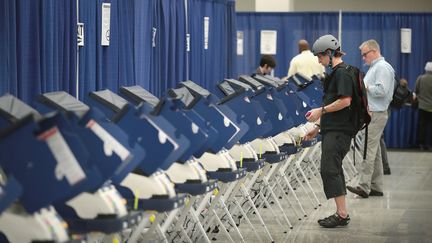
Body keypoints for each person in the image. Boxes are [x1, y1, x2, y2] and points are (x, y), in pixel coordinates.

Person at [304, 34, 356, 228]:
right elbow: (330, 102)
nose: (318, 60)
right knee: (333, 169)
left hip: (339, 131)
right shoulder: (334, 73)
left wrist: (320, 112)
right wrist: (318, 127)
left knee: (329, 169)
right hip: (332, 129)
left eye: (319, 56)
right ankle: (342, 212)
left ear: (329, 53)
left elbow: (345, 101)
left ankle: (342, 214)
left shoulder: (342, 73)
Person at [347, 39, 395, 198]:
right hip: (373, 113)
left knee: (368, 150)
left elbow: (382, 90)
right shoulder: (376, 68)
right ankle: (376, 186)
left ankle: (363, 185)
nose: (363, 58)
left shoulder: (382, 68)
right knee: (373, 151)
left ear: (374, 51)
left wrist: (364, 87)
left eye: (365, 54)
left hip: (375, 114)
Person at [414, 61, 432, 150]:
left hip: (422, 107)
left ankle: (421, 144)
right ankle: (430, 145)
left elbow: (416, 91)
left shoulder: (420, 78)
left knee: (422, 126)